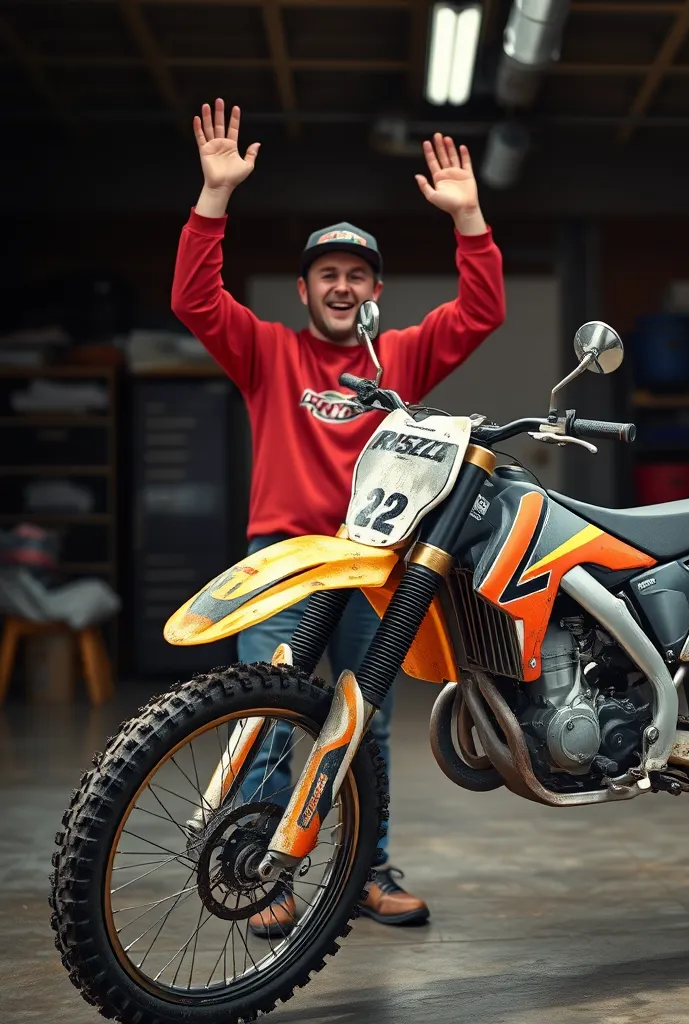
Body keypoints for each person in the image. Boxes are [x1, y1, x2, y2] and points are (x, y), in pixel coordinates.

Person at [170, 98, 506, 937]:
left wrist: (468, 218)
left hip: (377, 566)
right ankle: (260, 874)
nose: (343, 285)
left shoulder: (399, 356)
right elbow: (193, 301)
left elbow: (481, 313)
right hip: (286, 561)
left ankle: (364, 871)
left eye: (357, 274)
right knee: (268, 719)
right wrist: (214, 197)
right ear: (306, 287)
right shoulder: (268, 352)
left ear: (374, 290)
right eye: (329, 273)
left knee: (365, 725)